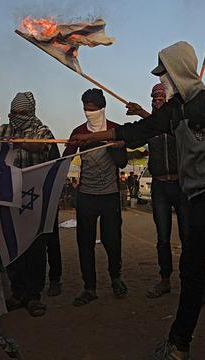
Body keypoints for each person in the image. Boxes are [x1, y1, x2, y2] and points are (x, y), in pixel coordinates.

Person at [73, 41, 205, 358]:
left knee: (190, 265)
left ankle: (178, 344)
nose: (162, 81)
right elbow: (139, 131)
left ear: (178, 71)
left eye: (164, 74)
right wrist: (91, 138)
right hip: (198, 196)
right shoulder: (175, 110)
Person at [64, 88, 129, 307]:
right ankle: (89, 287)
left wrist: (112, 145)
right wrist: (75, 145)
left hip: (110, 195)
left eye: (92, 109)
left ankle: (115, 278)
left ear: (102, 109)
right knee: (85, 242)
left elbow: (121, 162)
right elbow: (65, 160)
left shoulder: (115, 130)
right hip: (86, 196)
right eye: (85, 109)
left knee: (112, 240)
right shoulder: (78, 132)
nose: (88, 113)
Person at [126, 83, 190, 300]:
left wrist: (142, 113)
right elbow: (133, 137)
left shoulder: (179, 123)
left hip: (182, 186)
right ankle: (165, 280)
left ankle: (193, 283)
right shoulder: (149, 127)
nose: (156, 101)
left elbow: (172, 129)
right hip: (160, 186)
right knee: (162, 237)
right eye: (154, 98)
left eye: (161, 98)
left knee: (188, 237)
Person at [0, 91, 56, 316]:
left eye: (21, 113)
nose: (16, 117)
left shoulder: (42, 131)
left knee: (35, 249)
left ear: (30, 113)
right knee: (12, 247)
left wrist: (17, 143)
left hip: (33, 201)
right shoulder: (3, 130)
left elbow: (41, 147)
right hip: (8, 199)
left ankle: (33, 295)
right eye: (13, 113)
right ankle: (17, 292)